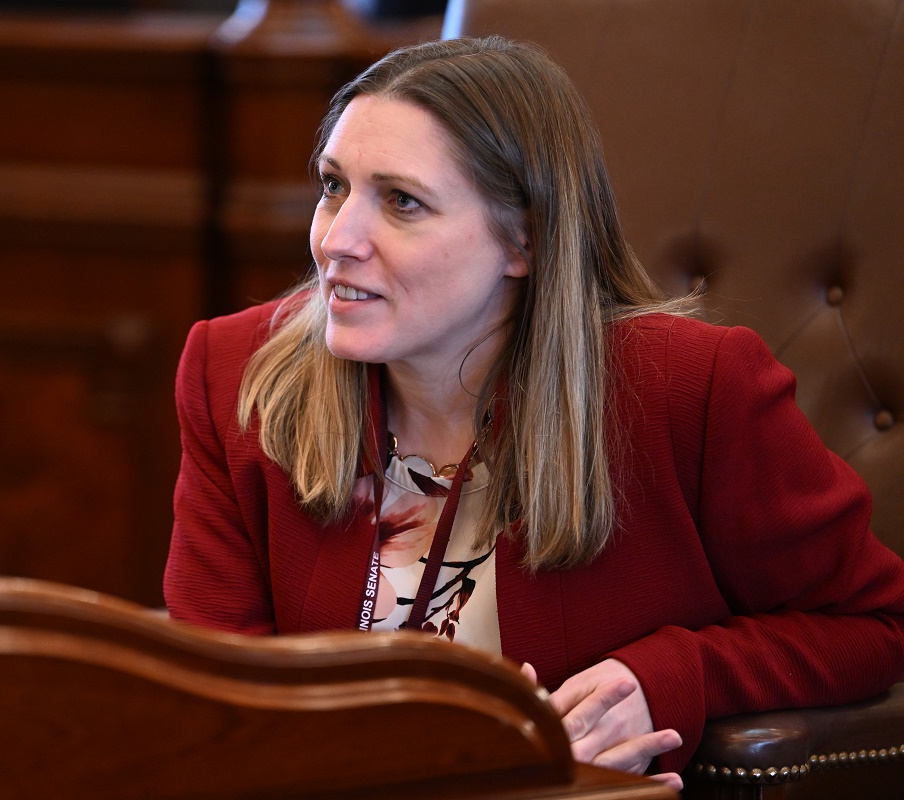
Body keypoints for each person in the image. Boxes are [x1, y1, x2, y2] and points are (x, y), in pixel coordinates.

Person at [163, 36, 904, 788]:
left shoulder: (693, 389)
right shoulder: (235, 377)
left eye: (402, 202)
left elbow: (878, 626)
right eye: (332, 186)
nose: (336, 241)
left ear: (524, 238)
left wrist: (676, 674)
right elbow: (215, 703)